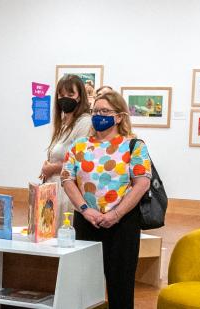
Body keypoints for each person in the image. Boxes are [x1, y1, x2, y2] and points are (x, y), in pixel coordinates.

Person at [60, 92, 152, 309]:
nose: (99, 115)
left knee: (120, 285)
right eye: (95, 111)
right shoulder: (79, 146)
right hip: (86, 221)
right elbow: (67, 179)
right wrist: (85, 209)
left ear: (119, 117)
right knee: (83, 283)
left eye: (105, 111)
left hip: (123, 223)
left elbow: (142, 183)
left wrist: (115, 214)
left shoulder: (134, 146)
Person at [40, 75, 94, 215]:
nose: (65, 98)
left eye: (70, 94)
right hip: (54, 188)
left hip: (69, 191)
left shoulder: (85, 122)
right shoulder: (63, 122)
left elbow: (80, 160)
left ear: (80, 96)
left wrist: (52, 168)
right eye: (61, 94)